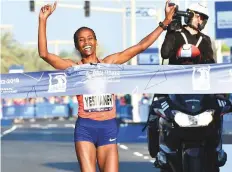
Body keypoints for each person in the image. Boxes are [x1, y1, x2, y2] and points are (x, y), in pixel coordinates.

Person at [38, 1, 176, 172]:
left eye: (89, 38)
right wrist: (43, 20)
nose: (86, 42)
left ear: (96, 42)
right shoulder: (74, 68)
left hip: (108, 127)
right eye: (81, 40)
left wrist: (165, 23)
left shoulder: (109, 63)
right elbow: (44, 54)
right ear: (77, 46)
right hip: (85, 129)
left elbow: (141, 46)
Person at [147, 2, 226, 169]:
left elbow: (211, 66)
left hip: (199, 90)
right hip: (174, 88)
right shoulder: (175, 34)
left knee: (218, 112)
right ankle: (159, 152)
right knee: (155, 111)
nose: (201, 21)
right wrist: (169, 29)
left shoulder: (205, 40)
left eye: (204, 18)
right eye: (199, 16)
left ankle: (217, 150)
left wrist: (220, 93)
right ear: (191, 15)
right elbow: (165, 53)